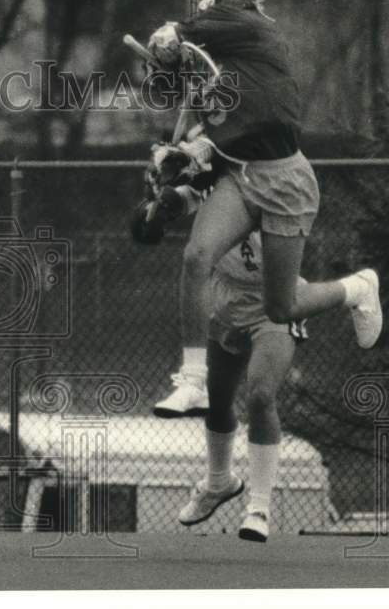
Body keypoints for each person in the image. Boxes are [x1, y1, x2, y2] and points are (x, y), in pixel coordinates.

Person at [147, 0, 382, 418]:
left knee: (282, 306)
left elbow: (203, 30)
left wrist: (175, 31)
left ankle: (356, 288)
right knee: (196, 256)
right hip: (242, 174)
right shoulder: (220, 49)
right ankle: (192, 380)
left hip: (285, 180)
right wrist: (182, 155)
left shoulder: (254, 28)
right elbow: (186, 101)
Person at [132, 189, 306, 542]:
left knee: (260, 395)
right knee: (216, 398)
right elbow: (153, 221)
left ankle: (259, 508)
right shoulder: (209, 183)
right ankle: (218, 481)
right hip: (227, 298)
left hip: (274, 300)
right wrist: (154, 209)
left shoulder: (267, 180)